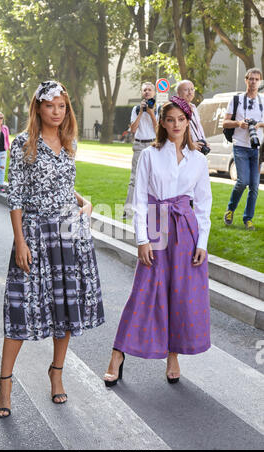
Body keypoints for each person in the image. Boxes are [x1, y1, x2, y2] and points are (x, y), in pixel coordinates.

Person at [0, 80, 105, 418]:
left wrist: (83, 202)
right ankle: (5, 383)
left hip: (69, 233)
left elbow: (64, 186)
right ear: (38, 108)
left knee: (66, 308)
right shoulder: (24, 144)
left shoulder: (70, 142)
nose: (56, 112)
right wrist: (20, 243)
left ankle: (57, 373)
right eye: (50, 106)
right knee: (21, 308)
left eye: (61, 106)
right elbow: (15, 195)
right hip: (35, 233)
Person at [103, 96, 212, 386]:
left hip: (186, 229)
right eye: (170, 119)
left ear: (188, 123)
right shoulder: (150, 155)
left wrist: (202, 242)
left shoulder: (199, 160)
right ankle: (117, 353)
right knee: (144, 291)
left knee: (180, 293)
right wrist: (142, 239)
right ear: (162, 123)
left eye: (181, 120)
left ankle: (172, 355)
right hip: (156, 224)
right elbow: (139, 198)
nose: (176, 125)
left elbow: (203, 205)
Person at [223, 68, 264, 231]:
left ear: (260, 82)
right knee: (242, 181)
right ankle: (230, 210)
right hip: (240, 145)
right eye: (251, 79)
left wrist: (258, 125)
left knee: (254, 185)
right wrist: (239, 123)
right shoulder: (236, 99)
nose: (253, 82)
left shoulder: (263, 101)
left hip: (256, 147)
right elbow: (225, 123)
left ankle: (248, 219)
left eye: (256, 79)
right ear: (246, 80)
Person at [123, 82, 158, 219]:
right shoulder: (136, 109)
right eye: (144, 90)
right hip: (139, 145)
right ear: (142, 93)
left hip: (153, 145)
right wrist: (141, 113)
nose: (147, 92)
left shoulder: (158, 109)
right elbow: (133, 129)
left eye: (149, 90)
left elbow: (158, 130)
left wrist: (151, 113)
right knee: (134, 179)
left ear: (154, 93)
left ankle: (151, 210)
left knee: (153, 179)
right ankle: (128, 210)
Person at [176, 80, 209, 153]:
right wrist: (189, 145)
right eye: (186, 90)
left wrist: (204, 141)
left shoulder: (193, 107)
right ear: (178, 93)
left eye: (192, 89)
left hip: (197, 150)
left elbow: (198, 127)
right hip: (184, 151)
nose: (190, 92)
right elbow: (175, 132)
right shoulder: (175, 109)